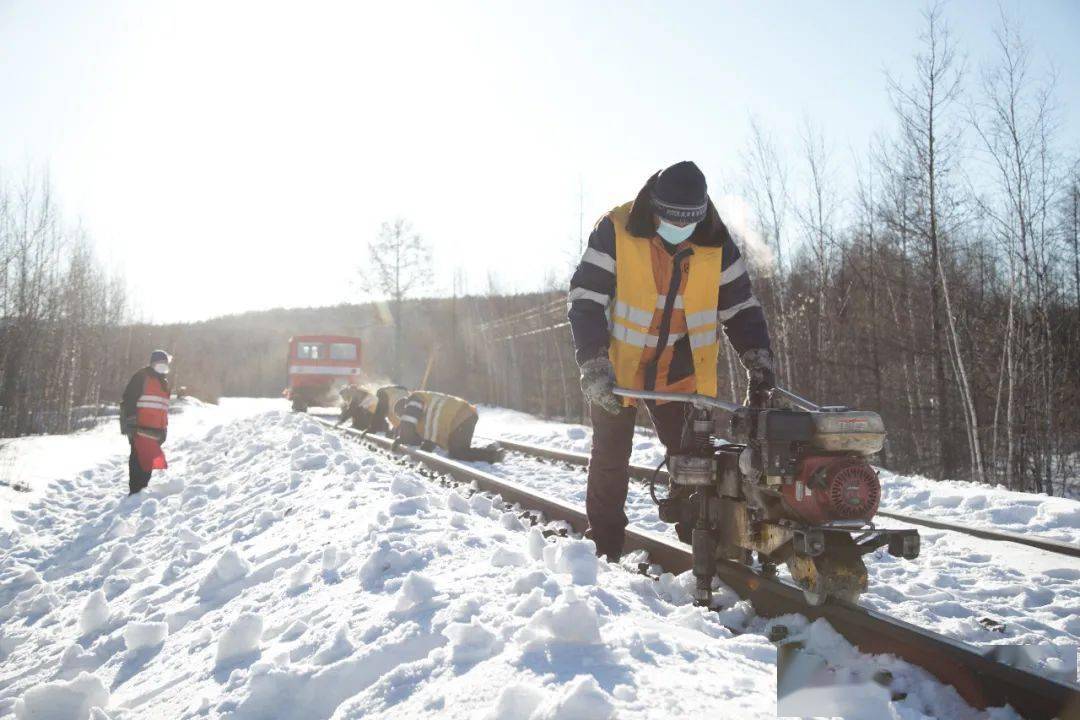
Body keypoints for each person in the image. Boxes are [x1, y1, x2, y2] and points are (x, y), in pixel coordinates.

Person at [567, 161, 774, 561]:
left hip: (677, 366)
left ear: (701, 214)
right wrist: (592, 363)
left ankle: (698, 543)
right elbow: (586, 300)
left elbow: (741, 307)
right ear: (655, 207)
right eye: (671, 219)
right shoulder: (616, 229)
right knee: (611, 457)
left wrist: (758, 361)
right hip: (617, 366)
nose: (680, 228)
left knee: (693, 458)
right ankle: (605, 550)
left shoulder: (715, 240)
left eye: (689, 221)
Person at [392, 390, 503, 463]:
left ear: (404, 409)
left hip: (461, 415)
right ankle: (490, 450)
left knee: (458, 452)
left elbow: (408, 425)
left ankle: (494, 455)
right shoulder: (420, 413)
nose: (404, 418)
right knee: (459, 452)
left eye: (403, 416)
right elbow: (421, 436)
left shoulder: (414, 400)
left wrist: (402, 438)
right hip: (463, 415)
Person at [120, 350, 172, 495]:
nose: (162, 365)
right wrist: (130, 423)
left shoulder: (164, 382)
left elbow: (162, 409)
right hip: (139, 429)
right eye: (159, 362)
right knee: (138, 462)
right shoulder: (142, 377)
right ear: (153, 363)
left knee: (147, 463)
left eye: (165, 363)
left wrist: (164, 429)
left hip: (156, 432)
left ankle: (141, 492)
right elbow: (128, 399)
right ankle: (135, 493)